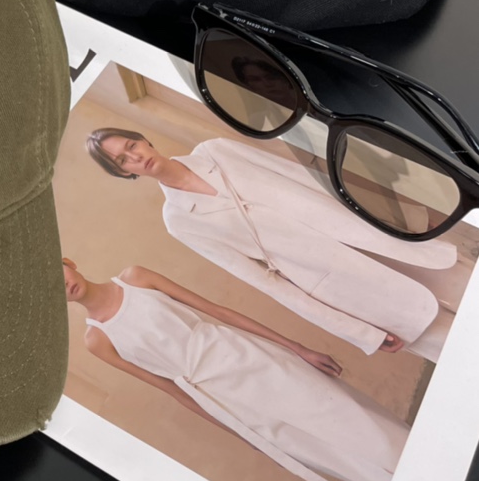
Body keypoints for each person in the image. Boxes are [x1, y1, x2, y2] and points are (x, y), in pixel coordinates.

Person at [87, 128, 463, 361]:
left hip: (372, 234)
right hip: (340, 283)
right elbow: (262, 281)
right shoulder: (179, 220)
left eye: (132, 145)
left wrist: (404, 216)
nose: (136, 156)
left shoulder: (217, 150)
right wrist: (359, 332)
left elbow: (308, 177)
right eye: (123, 160)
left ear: (144, 139)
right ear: (123, 173)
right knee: (456, 348)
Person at [63, 258, 409, 481]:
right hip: (222, 397)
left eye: (56, 272)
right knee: (317, 449)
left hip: (246, 356)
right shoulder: (97, 341)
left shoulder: (135, 277)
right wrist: (242, 435)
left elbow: (218, 311)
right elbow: (170, 389)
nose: (61, 284)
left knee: (342, 411)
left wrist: (297, 348)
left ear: (68, 262)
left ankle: (419, 460)